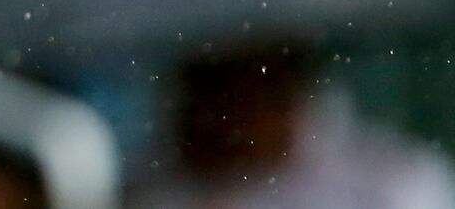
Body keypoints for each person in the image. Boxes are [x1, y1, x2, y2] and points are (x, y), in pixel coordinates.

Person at [136, 41, 455, 209]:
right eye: (221, 96)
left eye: (254, 94)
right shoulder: (164, 192)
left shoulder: (390, 177)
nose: (238, 114)